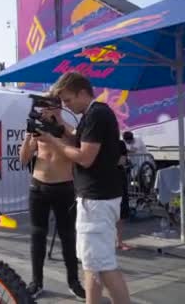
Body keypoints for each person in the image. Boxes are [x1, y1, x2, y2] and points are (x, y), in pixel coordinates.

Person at [36, 72, 130, 304]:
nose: (66, 105)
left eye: (68, 100)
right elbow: (77, 136)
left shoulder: (97, 114)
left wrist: (52, 141)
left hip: (96, 200)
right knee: (91, 264)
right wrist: (57, 121)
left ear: (82, 93)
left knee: (104, 266)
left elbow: (85, 157)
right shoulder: (93, 114)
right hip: (96, 198)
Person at [19, 95, 86, 301]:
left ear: (58, 107)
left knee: (67, 236)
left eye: (49, 106)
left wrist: (58, 121)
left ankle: (74, 282)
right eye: (43, 106)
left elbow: (76, 146)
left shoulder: (67, 128)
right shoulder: (37, 126)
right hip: (38, 186)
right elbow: (23, 160)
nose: (45, 110)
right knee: (37, 236)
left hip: (64, 187)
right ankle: (36, 281)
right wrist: (30, 140)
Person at [117, 139, 132, 251]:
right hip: (117, 179)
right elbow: (121, 161)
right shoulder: (120, 143)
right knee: (120, 211)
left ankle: (118, 241)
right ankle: (119, 241)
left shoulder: (97, 142)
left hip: (105, 180)